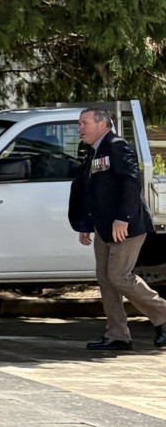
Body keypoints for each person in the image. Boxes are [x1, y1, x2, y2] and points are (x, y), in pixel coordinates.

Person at [70, 103, 166, 350]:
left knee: (119, 276)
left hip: (126, 226)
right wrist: (85, 225)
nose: (80, 128)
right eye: (80, 123)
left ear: (102, 124)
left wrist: (123, 217)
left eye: (84, 123)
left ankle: (163, 314)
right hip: (103, 228)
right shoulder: (92, 151)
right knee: (105, 278)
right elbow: (91, 190)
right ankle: (118, 335)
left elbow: (131, 182)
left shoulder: (117, 146)